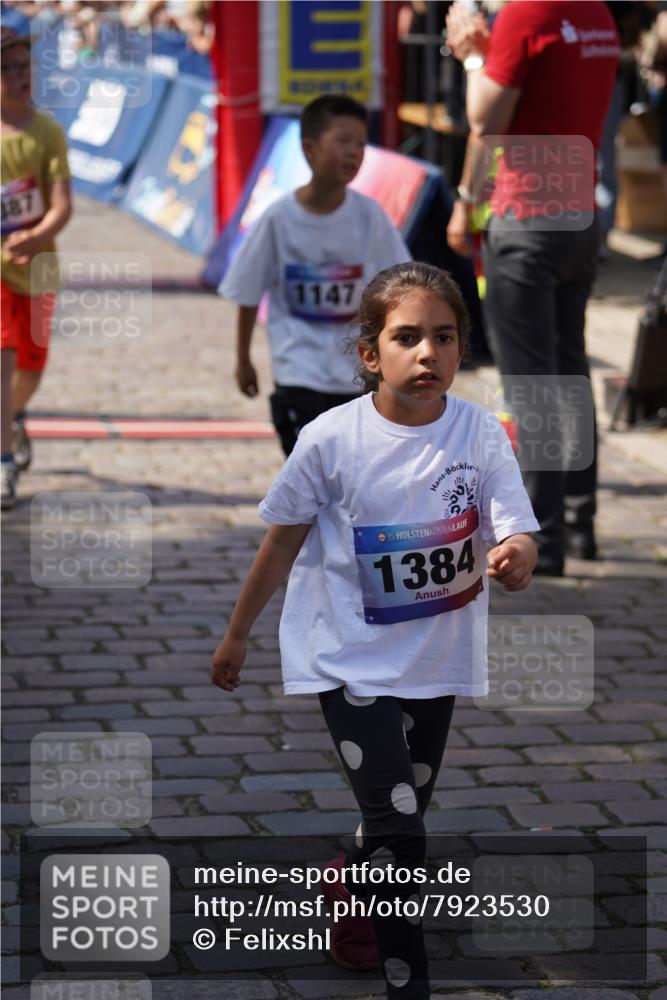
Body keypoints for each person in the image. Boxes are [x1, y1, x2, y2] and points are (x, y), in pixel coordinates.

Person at [212, 262, 539, 1000]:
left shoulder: (480, 432)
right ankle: (407, 982)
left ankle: (346, 881)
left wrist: (515, 554)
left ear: (461, 350)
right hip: (349, 660)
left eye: (444, 338)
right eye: (406, 337)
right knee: (401, 833)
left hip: (435, 660)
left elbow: (517, 525)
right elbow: (281, 543)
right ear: (370, 354)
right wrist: (238, 636)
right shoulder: (330, 440)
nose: (427, 353)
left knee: (398, 820)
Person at [445, 0, 619, 575]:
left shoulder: (527, 14)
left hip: (527, 216)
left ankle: (539, 537)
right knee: (569, 370)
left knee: (531, 384)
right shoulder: (595, 12)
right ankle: (578, 521)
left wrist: (473, 58)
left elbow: (484, 120)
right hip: (577, 216)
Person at [220, 94, 411, 457]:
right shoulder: (278, 219)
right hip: (298, 371)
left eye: (361, 142)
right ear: (309, 149)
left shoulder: (370, 217)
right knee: (309, 471)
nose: (354, 152)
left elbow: (401, 286)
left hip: (355, 375)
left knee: (351, 474)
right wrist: (243, 359)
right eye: (342, 140)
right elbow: (247, 290)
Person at [1, 25, 72, 510]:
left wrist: (37, 235)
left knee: (31, 368)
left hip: (41, 266)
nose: (16, 76)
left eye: (23, 67)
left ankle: (11, 418)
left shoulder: (47, 131)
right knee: (3, 356)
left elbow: (62, 206)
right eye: (5, 69)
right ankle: (4, 464)